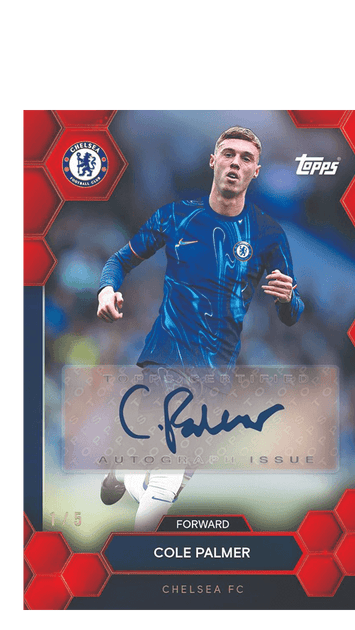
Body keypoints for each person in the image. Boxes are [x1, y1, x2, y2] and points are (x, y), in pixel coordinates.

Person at [96, 126, 304, 530]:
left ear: (256, 171)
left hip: (216, 372)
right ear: (213, 161)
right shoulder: (176, 216)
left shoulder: (268, 235)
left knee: (173, 483)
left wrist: (287, 299)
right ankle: (136, 559)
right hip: (167, 355)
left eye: (246, 158)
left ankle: (124, 471)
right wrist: (107, 289)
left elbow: (292, 314)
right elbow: (119, 260)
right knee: (167, 476)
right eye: (229, 154)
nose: (236, 163)